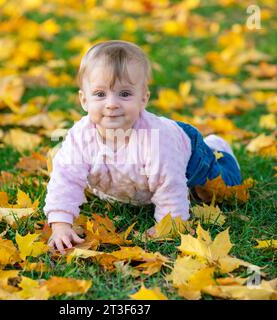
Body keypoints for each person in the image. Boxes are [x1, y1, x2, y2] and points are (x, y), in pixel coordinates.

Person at [44, 40, 242, 254]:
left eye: (125, 94)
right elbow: (65, 179)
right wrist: (61, 224)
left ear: (143, 98)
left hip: (188, 156)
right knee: (65, 162)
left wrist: (168, 224)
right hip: (130, 177)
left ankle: (217, 149)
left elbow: (170, 184)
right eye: (100, 94)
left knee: (223, 188)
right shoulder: (80, 137)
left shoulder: (157, 142)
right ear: (84, 100)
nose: (112, 104)